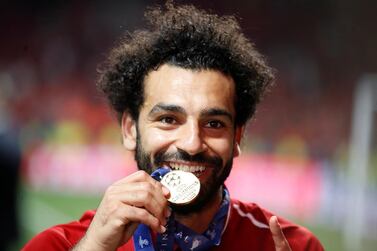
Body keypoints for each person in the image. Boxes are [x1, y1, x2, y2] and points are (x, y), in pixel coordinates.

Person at [23, 3, 324, 251]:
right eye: (168, 120)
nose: (192, 143)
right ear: (130, 129)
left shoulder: (293, 246)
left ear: (237, 137)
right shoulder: (59, 246)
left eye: (214, 123)